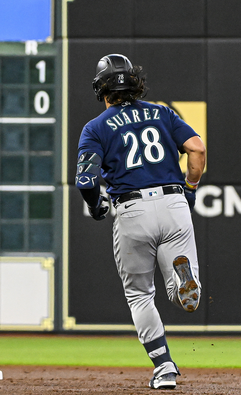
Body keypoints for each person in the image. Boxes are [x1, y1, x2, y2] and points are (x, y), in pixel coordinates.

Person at [76, 54, 205, 390]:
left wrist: (95, 206)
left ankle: (163, 368)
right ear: (136, 83)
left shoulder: (96, 127)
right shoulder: (162, 112)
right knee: (180, 296)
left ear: (101, 89)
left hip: (132, 209)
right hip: (174, 201)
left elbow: (86, 181)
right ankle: (181, 283)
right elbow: (197, 149)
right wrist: (189, 189)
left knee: (140, 295)